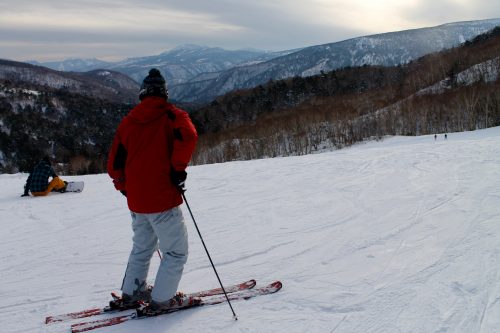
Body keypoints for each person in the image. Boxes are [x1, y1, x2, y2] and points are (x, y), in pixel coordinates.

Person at [107, 68, 198, 314]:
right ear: (164, 93)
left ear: (142, 94)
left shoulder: (128, 122)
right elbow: (189, 135)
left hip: (137, 201)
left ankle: (132, 293)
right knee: (176, 252)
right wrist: (178, 170)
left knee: (142, 247)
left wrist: (125, 188)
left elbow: (114, 165)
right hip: (163, 198)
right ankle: (163, 300)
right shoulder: (171, 115)